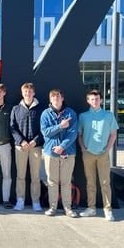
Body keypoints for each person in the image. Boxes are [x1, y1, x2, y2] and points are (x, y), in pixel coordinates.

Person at [77, 89, 119, 221]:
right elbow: (79, 135)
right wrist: (83, 148)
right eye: (91, 99)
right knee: (90, 182)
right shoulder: (83, 116)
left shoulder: (108, 115)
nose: (94, 101)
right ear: (88, 101)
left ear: (101, 100)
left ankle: (108, 209)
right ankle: (91, 208)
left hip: (103, 154)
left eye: (96, 99)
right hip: (88, 153)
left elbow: (113, 134)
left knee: (105, 182)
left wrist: (107, 149)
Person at [40, 89, 78, 218]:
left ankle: (68, 208)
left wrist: (62, 146)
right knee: (52, 181)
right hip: (50, 153)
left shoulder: (71, 113)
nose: (56, 98)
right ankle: (53, 207)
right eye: (53, 96)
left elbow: (73, 133)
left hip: (68, 152)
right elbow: (45, 132)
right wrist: (60, 126)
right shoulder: (45, 114)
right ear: (50, 99)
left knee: (66, 182)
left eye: (58, 96)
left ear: (62, 98)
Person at [10, 82, 45, 211]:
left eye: (30, 92)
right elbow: (12, 127)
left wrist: (36, 141)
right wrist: (22, 141)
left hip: (36, 146)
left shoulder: (41, 108)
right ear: (22, 93)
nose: (28, 94)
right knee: (20, 175)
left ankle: (36, 201)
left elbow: (44, 128)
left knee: (35, 175)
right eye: (25, 92)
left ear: (33, 93)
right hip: (21, 147)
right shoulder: (16, 109)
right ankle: (20, 200)